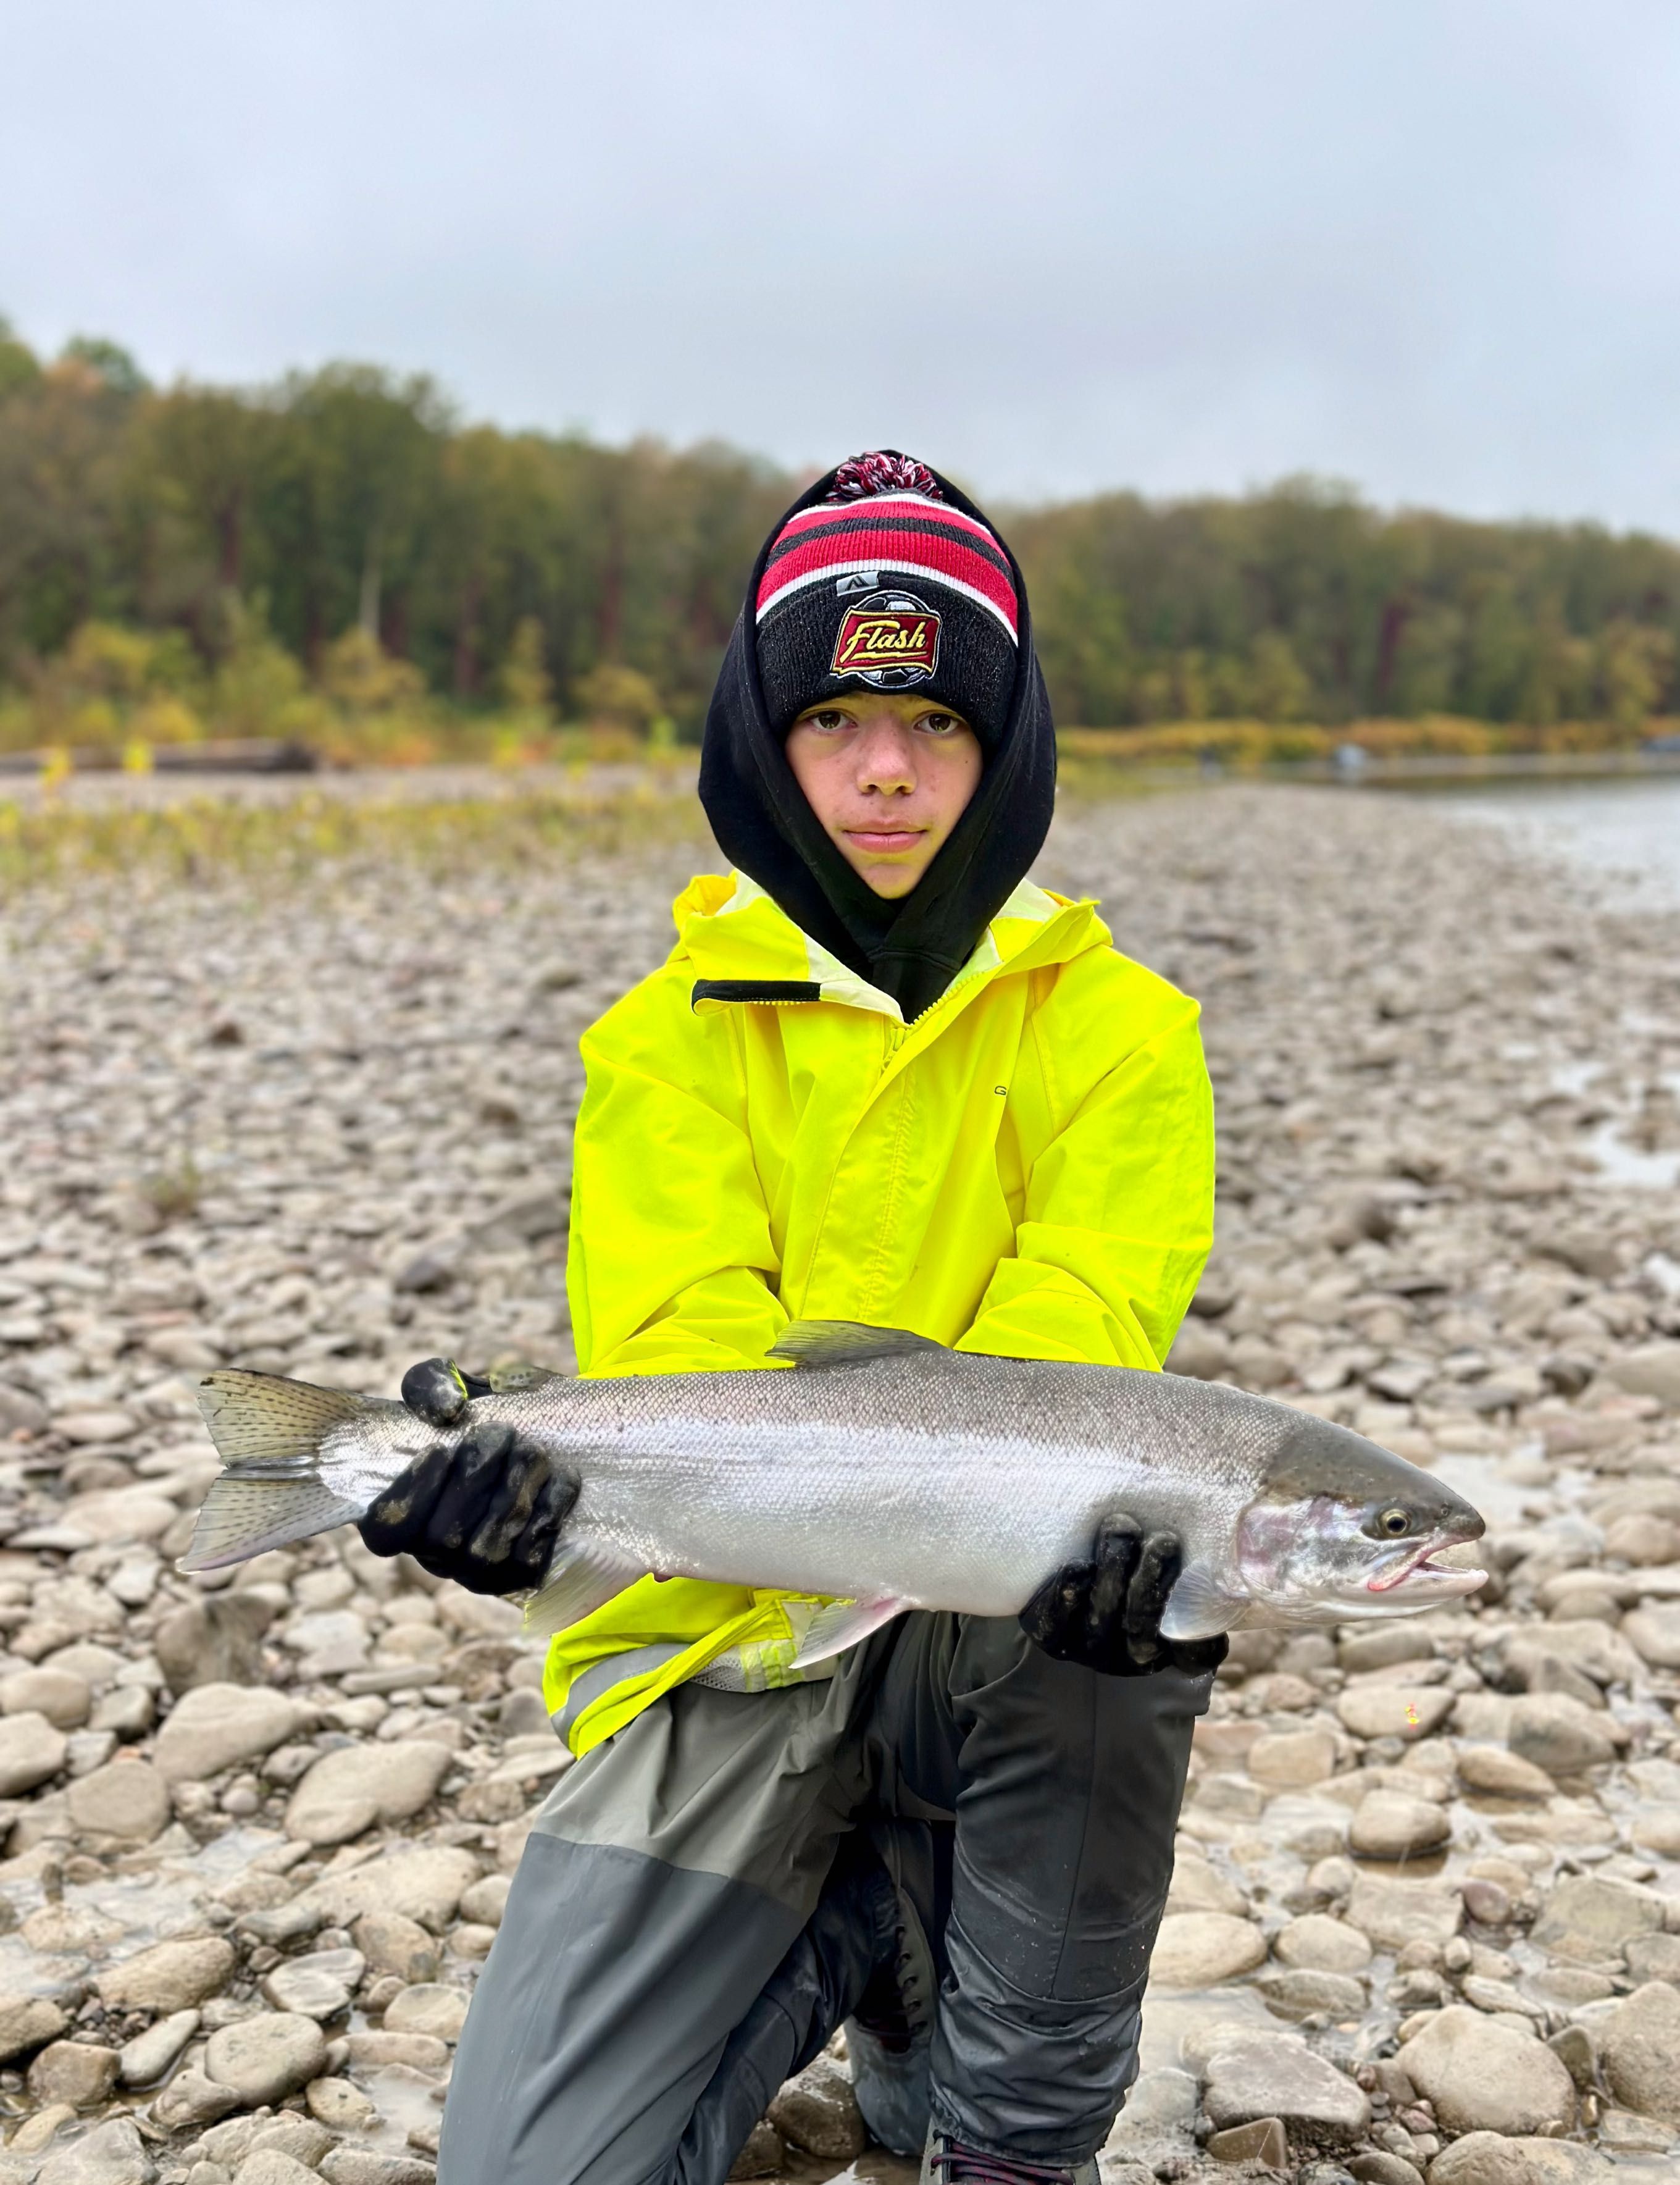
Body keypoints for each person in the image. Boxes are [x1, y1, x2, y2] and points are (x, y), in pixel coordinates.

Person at [358, 451, 1220, 2185]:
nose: (886, 768)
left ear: (1005, 741)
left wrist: (1142, 1581)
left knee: (1135, 1614)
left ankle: (1001, 2140)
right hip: (719, 1650)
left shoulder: (1128, 1034)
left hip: (976, 1634)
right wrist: (526, 1509)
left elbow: (1052, 1379)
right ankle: (882, 1938)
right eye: (831, 718)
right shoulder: (659, 1041)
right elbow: (687, 1381)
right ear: (764, 743)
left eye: (933, 722)